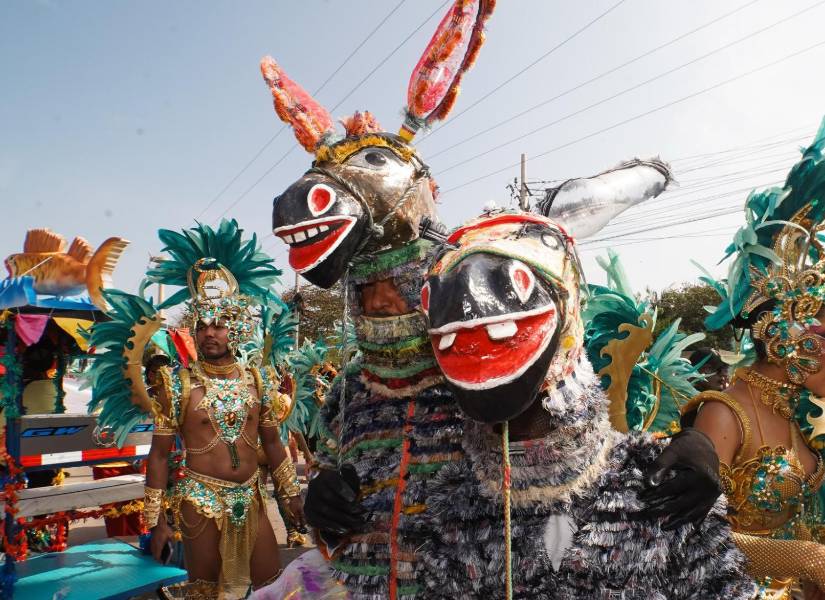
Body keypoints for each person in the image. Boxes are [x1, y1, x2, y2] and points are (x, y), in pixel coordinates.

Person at [86, 220, 304, 599]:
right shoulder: (177, 383)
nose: (209, 333)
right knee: (206, 591)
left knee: (272, 586)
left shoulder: (258, 379)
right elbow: (158, 456)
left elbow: (271, 442)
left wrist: (290, 495)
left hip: (251, 496)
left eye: (218, 325)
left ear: (234, 329)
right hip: (199, 500)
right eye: (202, 325)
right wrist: (156, 523)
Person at [685, 119, 825, 600]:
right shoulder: (725, 414)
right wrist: (803, 560)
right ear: (783, 328)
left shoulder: (800, 414)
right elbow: (688, 538)